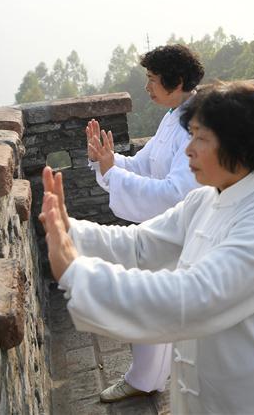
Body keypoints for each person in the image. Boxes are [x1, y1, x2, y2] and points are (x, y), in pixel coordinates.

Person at [40, 82, 254, 414]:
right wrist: (70, 230)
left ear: (239, 147)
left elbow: (194, 297)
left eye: (200, 138)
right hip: (216, 391)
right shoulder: (206, 198)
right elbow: (141, 245)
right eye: (190, 135)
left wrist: (77, 273)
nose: (189, 150)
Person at [84, 44, 203, 402]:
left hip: (183, 230)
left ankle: (148, 378)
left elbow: (177, 192)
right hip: (166, 230)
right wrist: (109, 162)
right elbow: (143, 165)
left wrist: (113, 174)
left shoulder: (193, 123)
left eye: (152, 80)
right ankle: (150, 376)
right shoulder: (172, 117)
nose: (148, 88)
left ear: (177, 80)